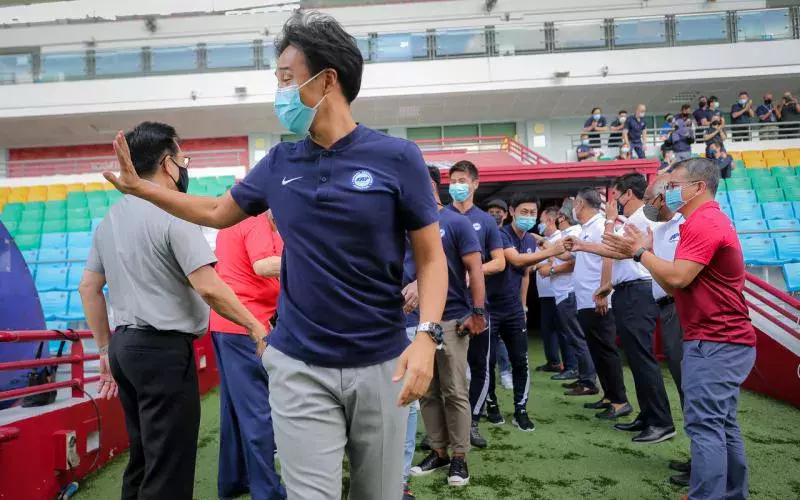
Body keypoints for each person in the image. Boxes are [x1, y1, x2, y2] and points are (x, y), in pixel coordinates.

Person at [103, 13, 450, 500]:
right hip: (298, 365)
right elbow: (216, 211)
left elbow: (431, 260)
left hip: (381, 362)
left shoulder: (397, 158)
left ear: (326, 80)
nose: (280, 92)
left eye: (287, 78)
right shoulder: (280, 162)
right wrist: (143, 189)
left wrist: (427, 337)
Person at [79, 121, 269, 500]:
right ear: (168, 164)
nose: (185, 167)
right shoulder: (175, 214)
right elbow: (208, 286)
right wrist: (254, 326)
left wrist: (103, 349)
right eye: (184, 160)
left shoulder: (110, 220)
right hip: (163, 351)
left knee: (142, 457)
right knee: (169, 464)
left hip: (123, 347)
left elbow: (88, 287)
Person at [602, 158, 757, 500]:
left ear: (699, 187)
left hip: (716, 339)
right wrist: (647, 252)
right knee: (721, 423)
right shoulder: (699, 222)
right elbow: (674, 286)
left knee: (706, 426)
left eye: (673, 186)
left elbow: (678, 277)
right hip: (719, 338)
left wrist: (640, 253)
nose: (666, 192)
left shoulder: (704, 222)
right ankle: (732, 493)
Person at [406, 166, 485, 489]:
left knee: (454, 391)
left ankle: (459, 457)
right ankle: (438, 451)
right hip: (420, 321)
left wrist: (478, 311)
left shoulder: (455, 222)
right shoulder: (409, 224)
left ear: (431, 185)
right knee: (427, 390)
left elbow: (475, 269)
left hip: (452, 319)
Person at [588, 174, 676, 444]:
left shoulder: (640, 218)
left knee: (642, 358)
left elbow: (610, 247)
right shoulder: (635, 219)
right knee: (636, 359)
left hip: (638, 291)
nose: (614, 202)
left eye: (616, 196)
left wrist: (608, 222)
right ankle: (648, 415)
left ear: (627, 194)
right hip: (629, 290)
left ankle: (660, 421)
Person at [210, 211, 286, 500]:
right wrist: (310, 261)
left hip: (227, 323)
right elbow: (263, 265)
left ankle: (233, 480)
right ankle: (267, 491)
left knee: (234, 408)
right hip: (248, 324)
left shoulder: (234, 221)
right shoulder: (256, 220)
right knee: (258, 413)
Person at [446, 160, 506, 449]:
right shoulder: (438, 217)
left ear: (475, 184)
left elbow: (500, 261)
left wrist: (473, 272)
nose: (457, 185)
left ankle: (472, 421)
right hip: (445, 309)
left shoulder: (486, 221)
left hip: (477, 307)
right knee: (444, 372)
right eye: (453, 180)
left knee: (480, 365)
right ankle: (443, 428)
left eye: (462, 180)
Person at [641, 177, 691, 487]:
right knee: (684, 386)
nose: (647, 205)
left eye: (650, 199)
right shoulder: (659, 230)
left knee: (691, 387)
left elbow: (677, 275)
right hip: (666, 310)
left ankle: (706, 463)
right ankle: (699, 456)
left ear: (663, 198)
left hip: (680, 309)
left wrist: (641, 252)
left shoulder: (685, 225)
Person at [562, 189, 630, 415]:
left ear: (580, 204)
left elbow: (608, 258)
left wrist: (603, 292)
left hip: (597, 299)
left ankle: (620, 401)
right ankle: (609, 396)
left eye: (575, 203)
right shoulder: (587, 228)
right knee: (597, 350)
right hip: (586, 299)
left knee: (606, 350)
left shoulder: (600, 226)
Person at [482, 195, 543, 432]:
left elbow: (525, 273)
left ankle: (521, 410)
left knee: (521, 361)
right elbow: (516, 261)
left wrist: (523, 306)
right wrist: (552, 250)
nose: (528, 216)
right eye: (524, 211)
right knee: (487, 362)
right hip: (490, 308)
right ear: (512, 211)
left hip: (514, 310)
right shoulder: (500, 234)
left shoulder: (530, 240)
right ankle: (491, 405)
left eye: (532, 212)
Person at [535, 206, 579, 382]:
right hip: (547, 291)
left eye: (541, 220)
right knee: (549, 330)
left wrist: (549, 267)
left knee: (565, 331)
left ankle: (572, 366)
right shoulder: (547, 240)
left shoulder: (562, 238)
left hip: (562, 291)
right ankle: (554, 362)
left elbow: (565, 261)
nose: (539, 224)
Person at [484, 198, 513, 389]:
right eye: (491, 212)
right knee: (482, 338)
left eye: (499, 212)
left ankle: (504, 372)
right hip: (483, 294)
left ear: (506, 214)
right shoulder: (481, 232)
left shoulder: (507, 235)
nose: (495, 215)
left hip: (503, 295)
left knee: (501, 339)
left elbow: (519, 266)